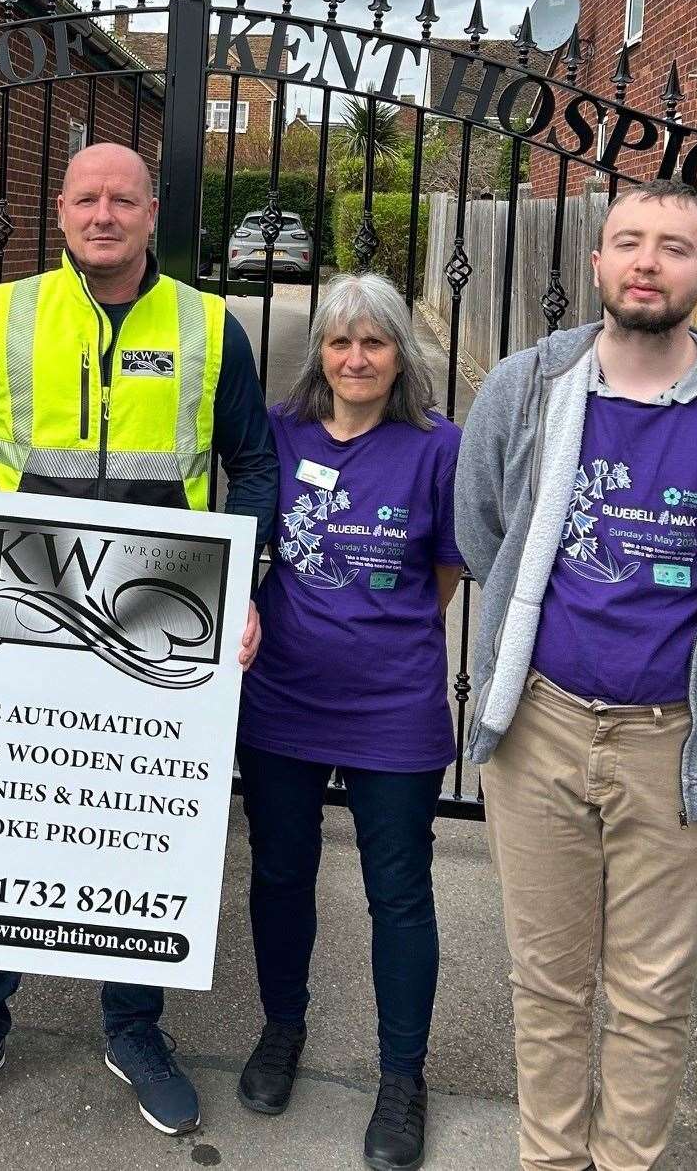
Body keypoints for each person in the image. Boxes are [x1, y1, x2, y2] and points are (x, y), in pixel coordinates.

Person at [0, 142, 278, 1138]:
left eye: (123, 200)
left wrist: (244, 586)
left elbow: (254, 464)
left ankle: (133, 1025)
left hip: (156, 616)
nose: (104, 213)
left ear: (153, 213)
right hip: (18, 610)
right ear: (60, 212)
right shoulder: (5, 315)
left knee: (138, 828)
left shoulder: (209, 325)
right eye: (86, 198)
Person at [455, 178, 697, 1171]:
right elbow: (483, 533)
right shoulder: (526, 388)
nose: (647, 261)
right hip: (538, 730)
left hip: (680, 741)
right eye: (628, 240)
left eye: (672, 247)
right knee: (546, 980)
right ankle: (549, 1160)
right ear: (597, 263)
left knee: (651, 993)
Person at [235, 273, 462, 1170]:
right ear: (318, 351)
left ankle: (402, 1077)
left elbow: (445, 573)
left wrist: (381, 630)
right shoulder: (280, 436)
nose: (356, 357)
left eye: (373, 342)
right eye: (339, 341)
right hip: (283, 698)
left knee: (399, 891)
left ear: (400, 352)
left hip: (392, 707)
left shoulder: (435, 447)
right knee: (282, 873)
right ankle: (281, 1027)